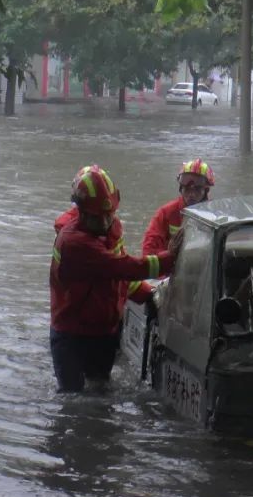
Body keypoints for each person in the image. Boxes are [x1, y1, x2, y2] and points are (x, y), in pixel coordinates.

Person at [50, 165, 175, 392]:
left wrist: (148, 295)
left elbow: (120, 278)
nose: (107, 221)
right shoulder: (74, 242)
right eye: (100, 216)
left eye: (111, 213)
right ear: (82, 212)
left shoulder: (110, 228)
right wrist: (171, 259)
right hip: (72, 336)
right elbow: (124, 267)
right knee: (73, 403)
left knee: (100, 396)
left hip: (103, 332)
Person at [141, 159, 216, 255]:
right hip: (172, 268)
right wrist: (169, 253)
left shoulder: (215, 216)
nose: (191, 194)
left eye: (197, 189)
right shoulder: (166, 213)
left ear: (206, 191)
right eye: (187, 189)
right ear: (181, 188)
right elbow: (148, 252)